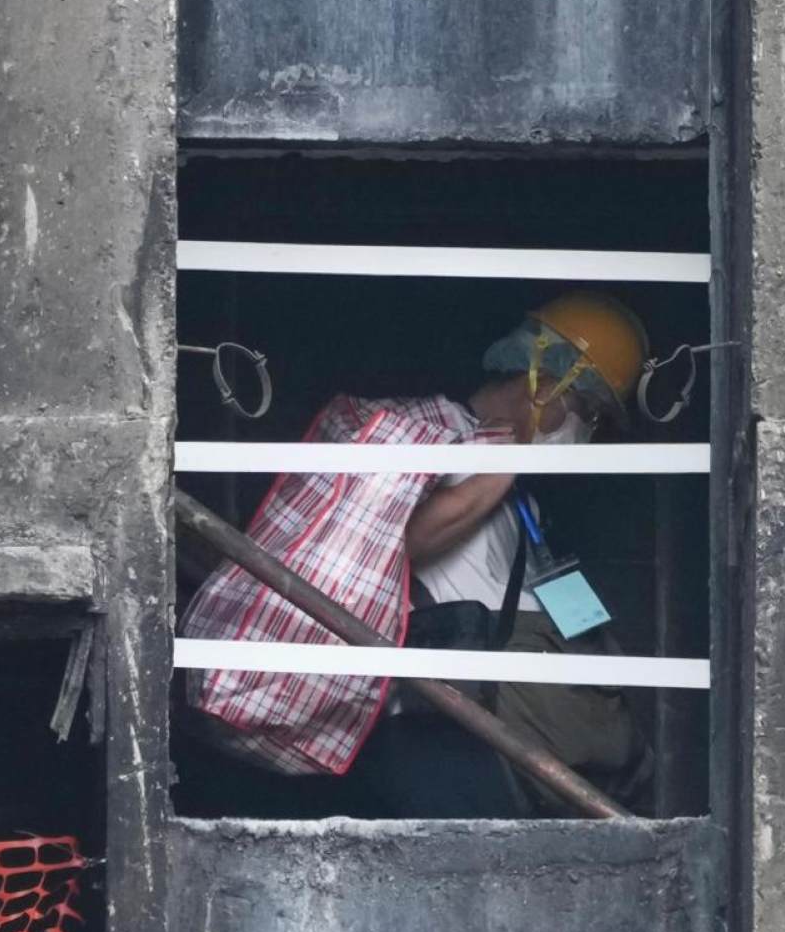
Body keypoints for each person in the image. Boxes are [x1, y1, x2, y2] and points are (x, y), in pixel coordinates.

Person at [180, 291, 653, 817]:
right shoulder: (434, 439)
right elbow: (393, 537)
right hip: (439, 727)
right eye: (587, 410)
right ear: (544, 382)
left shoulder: (521, 495)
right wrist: (502, 469)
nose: (587, 432)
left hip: (504, 730)